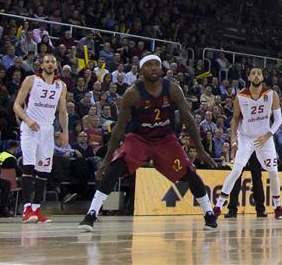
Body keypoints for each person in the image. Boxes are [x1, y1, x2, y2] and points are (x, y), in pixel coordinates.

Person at [77, 54, 218, 231]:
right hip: (139, 139)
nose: (153, 68)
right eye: (149, 65)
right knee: (116, 165)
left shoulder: (173, 90)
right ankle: (91, 214)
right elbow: (120, 128)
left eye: (156, 65)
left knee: (189, 172)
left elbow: (189, 120)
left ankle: (209, 214)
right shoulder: (133, 93)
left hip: (165, 139)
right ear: (141, 70)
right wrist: (106, 158)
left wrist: (201, 150)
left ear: (161, 69)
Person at [213, 67, 282, 219]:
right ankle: (217, 207)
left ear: (262, 77)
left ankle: (278, 208)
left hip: (264, 139)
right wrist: (233, 138)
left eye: (259, 73)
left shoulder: (271, 94)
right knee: (236, 171)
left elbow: (278, 120)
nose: (256, 75)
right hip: (246, 138)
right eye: (253, 73)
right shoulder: (240, 96)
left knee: (273, 172)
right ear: (248, 77)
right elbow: (235, 119)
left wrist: (268, 135)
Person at [11, 51, 68, 223]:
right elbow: (16, 105)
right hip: (30, 128)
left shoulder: (61, 86)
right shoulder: (31, 80)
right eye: (47, 61)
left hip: (47, 131)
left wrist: (65, 131)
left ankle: (37, 209)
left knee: (44, 170)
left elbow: (63, 111)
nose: (50, 64)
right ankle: (26, 209)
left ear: (56, 66)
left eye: (53, 61)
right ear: (42, 65)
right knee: (29, 167)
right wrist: (27, 120)